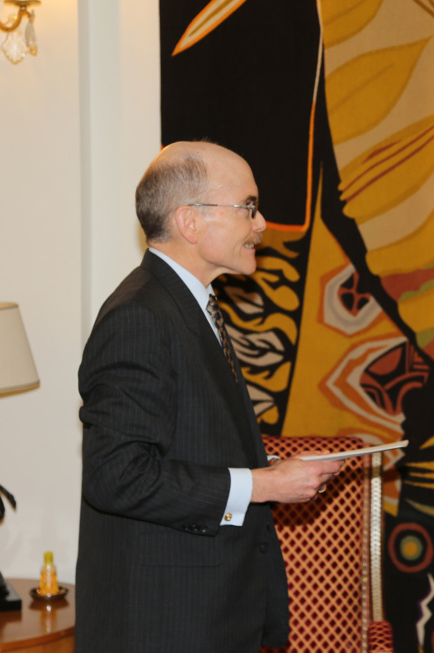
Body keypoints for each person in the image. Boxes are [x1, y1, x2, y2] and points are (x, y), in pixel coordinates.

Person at [76, 141, 343, 652]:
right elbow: (117, 476)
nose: (262, 223)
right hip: (164, 626)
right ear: (190, 222)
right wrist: (263, 485)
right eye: (248, 206)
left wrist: (278, 472)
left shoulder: (188, 307)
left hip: (210, 617)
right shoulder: (140, 316)